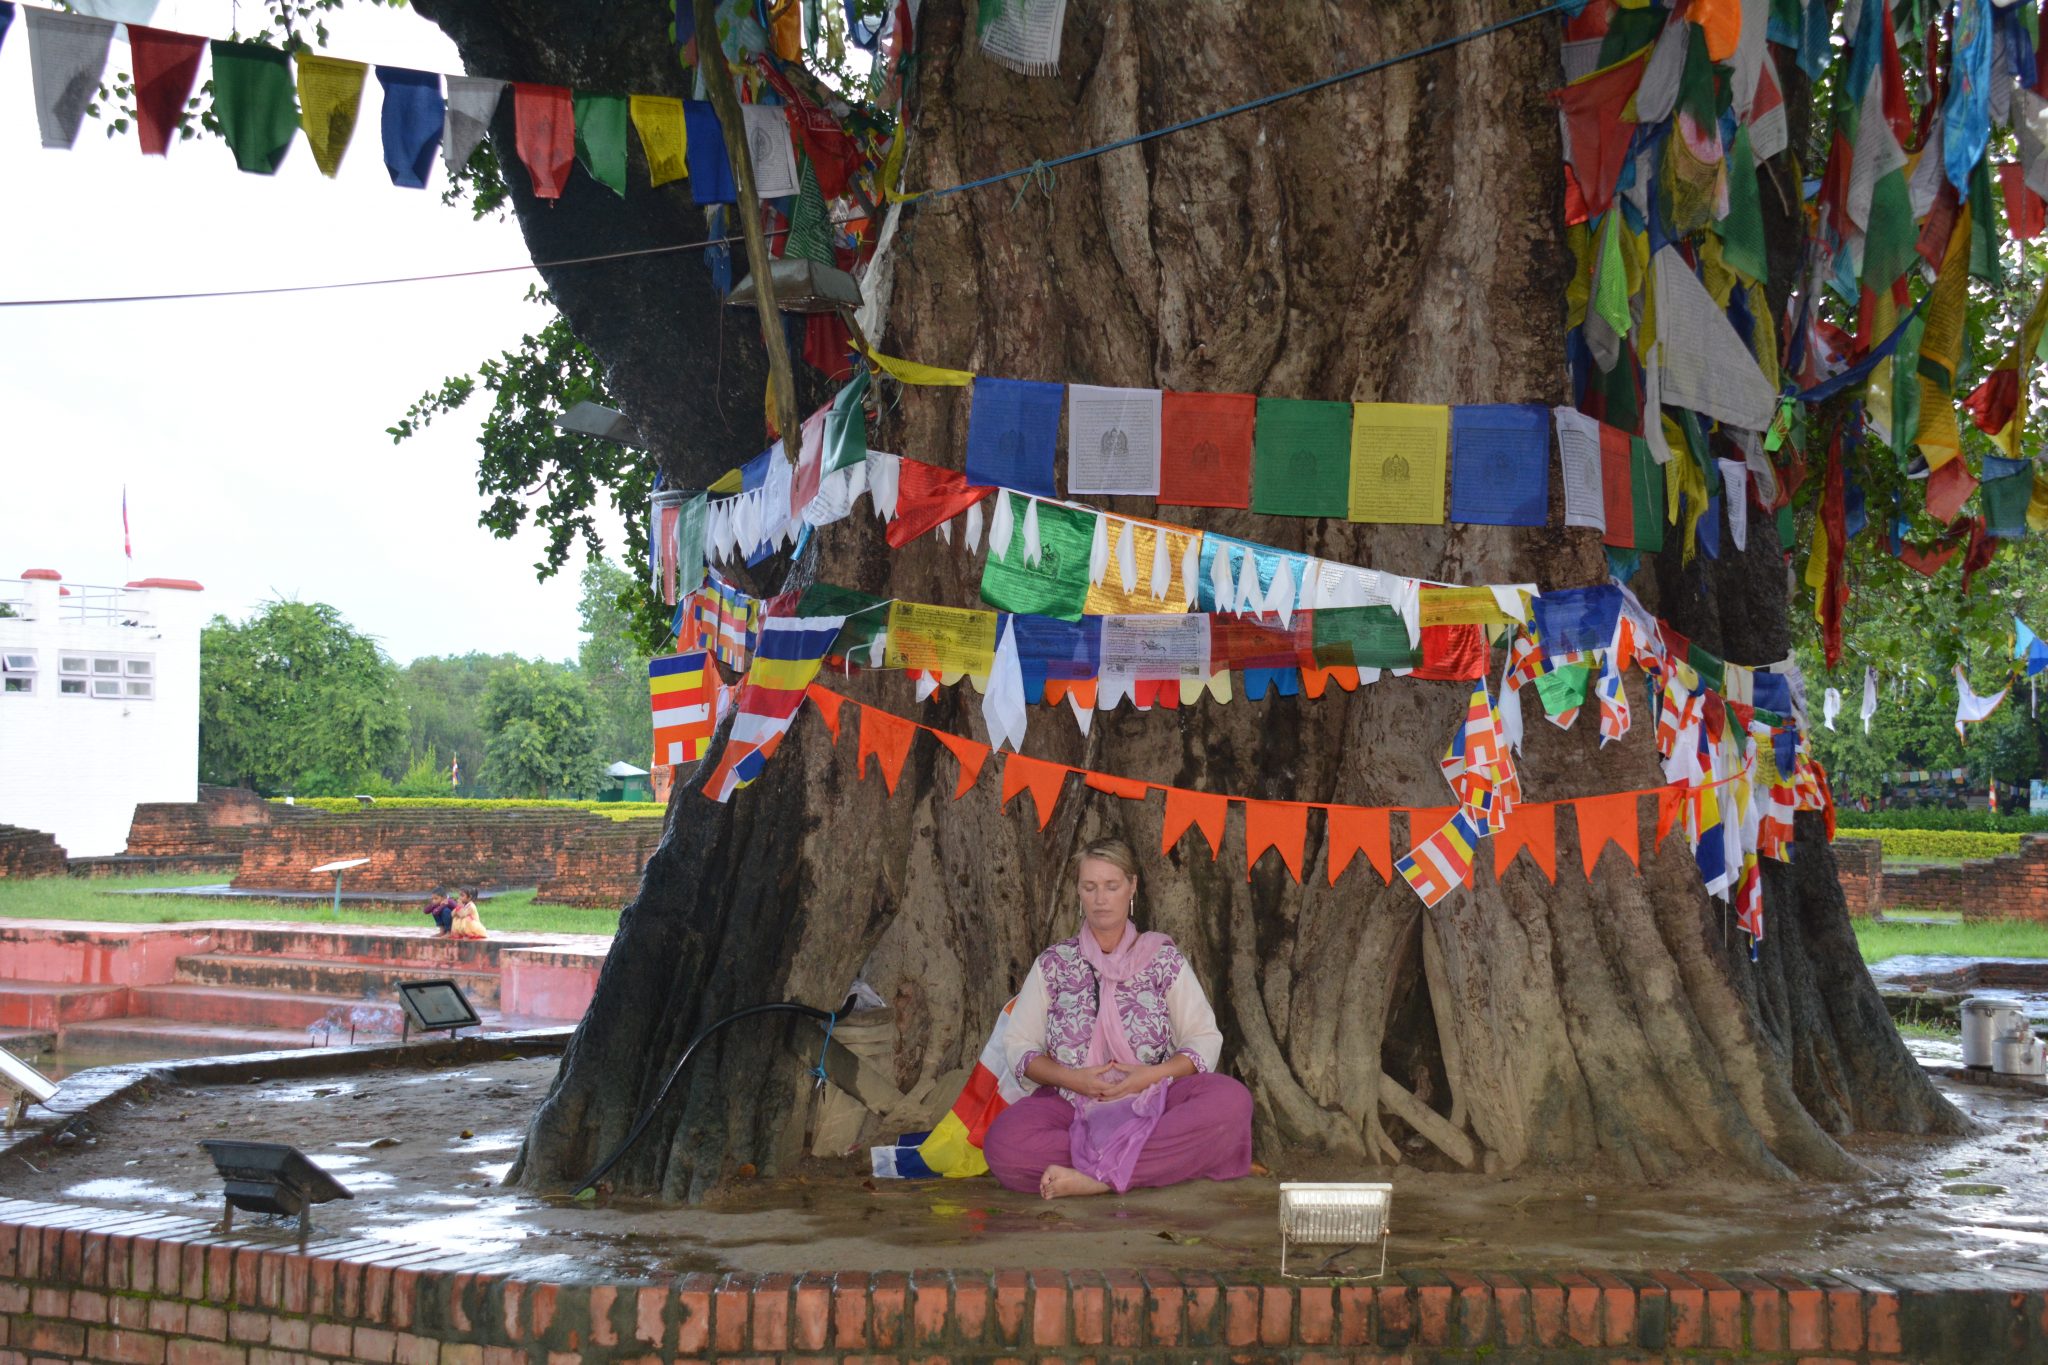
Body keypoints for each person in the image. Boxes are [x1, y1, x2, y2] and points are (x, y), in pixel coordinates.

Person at [982, 837, 1254, 1199]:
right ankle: (1158, 1163)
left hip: (1156, 1098)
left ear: (1132, 886)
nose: (1100, 898)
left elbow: (1203, 1038)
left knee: (1231, 1101)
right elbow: (1019, 1046)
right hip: (1071, 1103)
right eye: (1089, 887)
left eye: (1111, 886)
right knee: (1005, 1144)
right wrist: (1073, 1079)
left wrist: (1150, 1076)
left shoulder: (1162, 959)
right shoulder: (1054, 963)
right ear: (1078, 891)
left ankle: (1096, 1179)